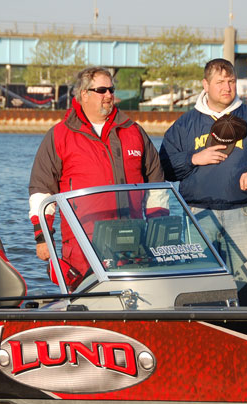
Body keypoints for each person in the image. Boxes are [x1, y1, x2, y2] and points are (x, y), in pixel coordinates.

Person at [28, 67, 165, 289]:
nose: (109, 95)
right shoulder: (60, 136)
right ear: (84, 94)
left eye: (111, 89)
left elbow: (157, 185)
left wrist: (159, 230)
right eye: (102, 90)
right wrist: (42, 238)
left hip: (133, 243)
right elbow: (41, 191)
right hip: (83, 249)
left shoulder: (134, 132)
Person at [159, 58, 247, 285]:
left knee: (245, 281)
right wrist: (193, 159)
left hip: (242, 212)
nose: (227, 87)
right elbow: (163, 167)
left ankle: (243, 307)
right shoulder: (185, 124)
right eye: (220, 82)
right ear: (205, 85)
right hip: (198, 214)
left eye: (231, 81)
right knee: (200, 281)